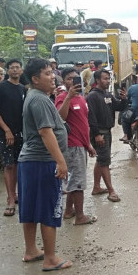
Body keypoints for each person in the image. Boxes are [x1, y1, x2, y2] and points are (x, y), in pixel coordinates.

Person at [17, 58, 72, 271]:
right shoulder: (39, 99)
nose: (53, 77)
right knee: (49, 208)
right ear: (35, 79)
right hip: (42, 161)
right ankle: (50, 258)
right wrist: (61, 161)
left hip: (30, 161)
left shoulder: (36, 96)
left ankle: (31, 250)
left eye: (52, 72)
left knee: (30, 208)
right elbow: (45, 131)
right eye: (48, 74)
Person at [55, 67, 97, 225]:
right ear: (64, 81)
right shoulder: (62, 97)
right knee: (77, 182)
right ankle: (80, 216)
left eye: (75, 78)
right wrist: (68, 98)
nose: (73, 81)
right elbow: (60, 118)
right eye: (69, 79)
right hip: (71, 146)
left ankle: (68, 211)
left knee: (74, 180)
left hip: (81, 145)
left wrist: (88, 145)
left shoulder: (81, 98)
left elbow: (83, 124)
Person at [0, 59, 26, 217]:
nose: (15, 70)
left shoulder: (22, 89)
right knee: (9, 165)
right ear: (7, 70)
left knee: (19, 164)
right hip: (6, 134)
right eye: (12, 68)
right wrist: (6, 130)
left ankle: (17, 194)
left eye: (17, 67)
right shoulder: (0, 87)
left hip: (21, 133)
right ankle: (10, 199)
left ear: (21, 70)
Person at [86, 69, 127, 202]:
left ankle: (97, 187)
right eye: (105, 78)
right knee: (104, 161)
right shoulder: (92, 96)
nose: (108, 81)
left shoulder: (108, 94)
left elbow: (119, 107)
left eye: (109, 78)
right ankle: (111, 191)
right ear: (97, 80)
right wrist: (97, 134)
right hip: (100, 133)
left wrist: (124, 99)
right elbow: (91, 117)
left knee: (101, 159)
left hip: (107, 131)